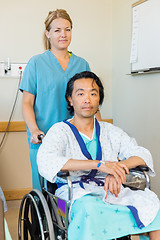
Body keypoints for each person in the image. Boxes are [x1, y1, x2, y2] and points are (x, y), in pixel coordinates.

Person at [37, 71, 160, 240]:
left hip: (109, 188)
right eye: (80, 94)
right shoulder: (59, 131)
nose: (87, 99)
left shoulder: (110, 131)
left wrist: (118, 171)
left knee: (150, 199)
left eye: (93, 94)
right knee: (88, 209)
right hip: (68, 195)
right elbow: (47, 160)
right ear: (70, 99)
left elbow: (141, 154)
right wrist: (99, 164)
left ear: (99, 99)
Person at [19, 9, 101, 190]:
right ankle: (45, 215)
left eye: (68, 29)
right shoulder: (36, 63)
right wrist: (34, 130)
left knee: (72, 187)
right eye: (57, 30)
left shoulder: (82, 64)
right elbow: (27, 102)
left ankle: (66, 217)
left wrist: (101, 132)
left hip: (75, 137)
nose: (63, 34)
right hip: (43, 136)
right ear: (48, 33)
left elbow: (91, 101)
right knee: (46, 189)